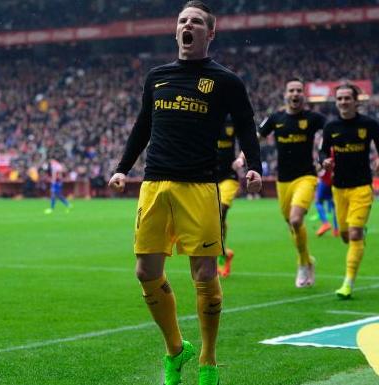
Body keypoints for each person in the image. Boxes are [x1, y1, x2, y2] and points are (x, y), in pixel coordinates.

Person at [108, 2, 262, 384]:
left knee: (205, 273)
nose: (187, 25)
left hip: (199, 185)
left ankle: (208, 361)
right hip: (155, 183)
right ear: (175, 31)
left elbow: (246, 124)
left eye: (196, 21)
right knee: (145, 271)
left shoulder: (226, 80)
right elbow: (143, 125)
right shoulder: (157, 77)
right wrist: (121, 168)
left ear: (210, 33)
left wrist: (255, 165)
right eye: (182, 20)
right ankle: (176, 350)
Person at [320, 84, 379, 300]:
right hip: (339, 188)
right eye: (339, 98)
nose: (343, 102)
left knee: (355, 233)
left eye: (347, 98)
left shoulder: (368, 124)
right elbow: (322, 151)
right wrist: (325, 161)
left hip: (362, 187)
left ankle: (348, 283)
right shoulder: (331, 127)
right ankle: (358, 235)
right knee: (345, 236)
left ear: (356, 101)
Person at [258, 78, 325, 288]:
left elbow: (332, 131)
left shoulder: (313, 118)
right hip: (283, 181)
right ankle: (307, 261)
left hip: (306, 176)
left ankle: (303, 266)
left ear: (303, 95)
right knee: (292, 225)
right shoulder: (276, 118)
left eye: (298, 90)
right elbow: (257, 137)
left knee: (296, 220)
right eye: (291, 91)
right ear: (285, 95)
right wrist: (243, 157)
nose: (295, 94)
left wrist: (325, 156)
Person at [216, 120, 246, 278]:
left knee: (221, 211)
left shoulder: (231, 119)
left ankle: (220, 257)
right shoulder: (203, 113)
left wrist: (241, 158)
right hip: (209, 176)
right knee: (213, 218)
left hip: (229, 176)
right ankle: (224, 253)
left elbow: (248, 139)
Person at [315, 168, 339, 237]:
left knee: (318, 202)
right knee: (334, 206)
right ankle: (336, 230)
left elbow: (321, 167)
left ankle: (325, 223)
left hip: (325, 181)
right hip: (334, 182)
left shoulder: (324, 157)